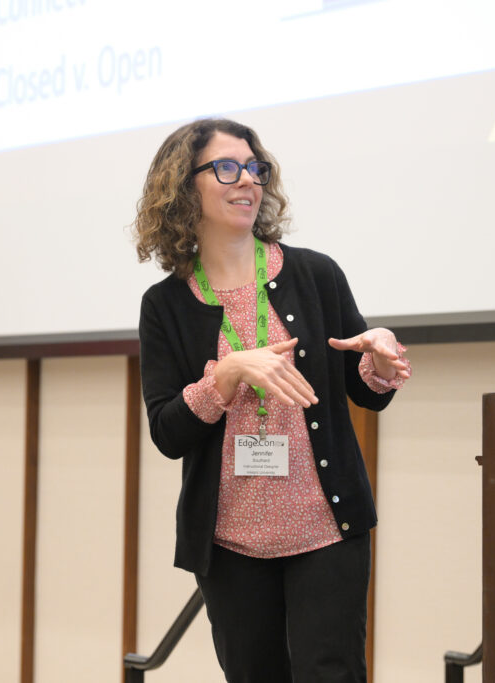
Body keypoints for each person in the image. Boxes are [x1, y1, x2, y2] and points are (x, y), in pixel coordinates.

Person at [134, 117, 411, 683]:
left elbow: (364, 388)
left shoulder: (315, 274)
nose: (247, 181)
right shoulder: (165, 305)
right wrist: (228, 374)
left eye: (254, 168)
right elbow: (167, 431)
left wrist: (380, 362)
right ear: (184, 186)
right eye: (226, 168)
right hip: (230, 544)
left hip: (325, 529)